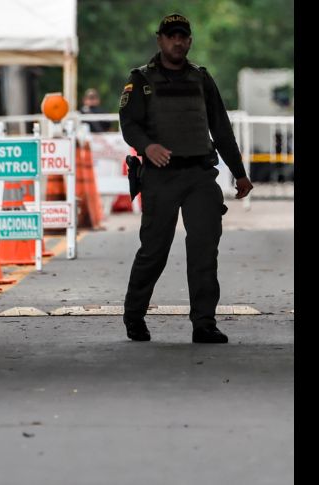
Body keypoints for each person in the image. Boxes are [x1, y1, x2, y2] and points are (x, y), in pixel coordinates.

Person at [118, 13, 254, 344]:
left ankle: (204, 323)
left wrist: (239, 173)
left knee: (204, 248)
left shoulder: (201, 79)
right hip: (160, 177)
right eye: (171, 36)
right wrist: (147, 146)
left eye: (183, 36)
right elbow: (129, 123)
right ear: (160, 39)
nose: (177, 42)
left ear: (189, 41)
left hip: (198, 175)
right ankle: (134, 315)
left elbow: (220, 127)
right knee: (154, 251)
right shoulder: (141, 80)